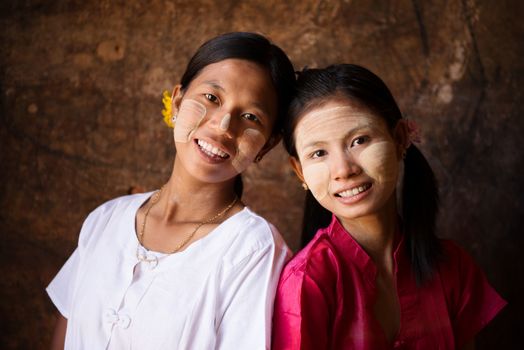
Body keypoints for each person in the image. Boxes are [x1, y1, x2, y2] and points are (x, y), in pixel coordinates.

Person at [47, 32, 295, 349]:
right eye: (212, 98)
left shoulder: (253, 249)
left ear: (267, 145)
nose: (223, 127)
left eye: (250, 117)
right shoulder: (106, 219)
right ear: (177, 101)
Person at [272, 64, 506, 349]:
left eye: (359, 140)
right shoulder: (306, 283)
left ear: (397, 139)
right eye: (318, 153)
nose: (343, 170)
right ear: (300, 172)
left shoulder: (452, 266)